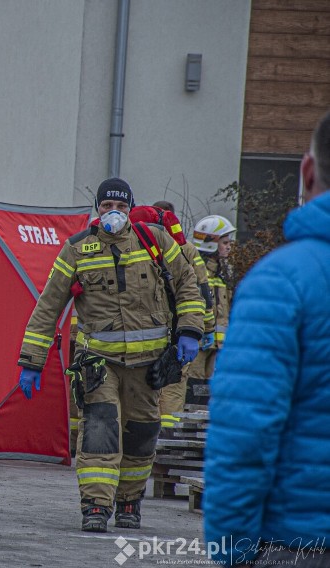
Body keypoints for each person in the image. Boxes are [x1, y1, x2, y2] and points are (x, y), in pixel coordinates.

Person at [17, 178, 205, 533]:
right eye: (107, 207)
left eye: (120, 207)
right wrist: (32, 360)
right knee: (99, 434)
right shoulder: (77, 250)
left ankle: (129, 502)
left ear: (130, 208)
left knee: (141, 436)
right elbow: (48, 307)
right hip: (99, 365)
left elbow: (186, 283)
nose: (113, 214)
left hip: (148, 367)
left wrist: (190, 330)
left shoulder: (154, 240)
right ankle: (96, 507)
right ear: (97, 210)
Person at [204, 112, 330, 566]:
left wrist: (232, 549)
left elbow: (245, 432)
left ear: (308, 171)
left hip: (301, 540)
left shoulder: (281, 281)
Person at [128, 205, 215, 429]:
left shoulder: (131, 246)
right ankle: (164, 446)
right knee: (171, 390)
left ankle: (151, 446)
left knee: (144, 393)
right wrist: (206, 328)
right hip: (177, 331)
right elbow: (201, 292)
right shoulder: (185, 250)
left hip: (146, 334)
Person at [185, 214, 235, 407]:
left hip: (217, 347)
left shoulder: (222, 275)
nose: (229, 246)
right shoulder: (196, 273)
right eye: (224, 242)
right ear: (210, 243)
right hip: (197, 345)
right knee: (193, 390)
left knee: (209, 393)